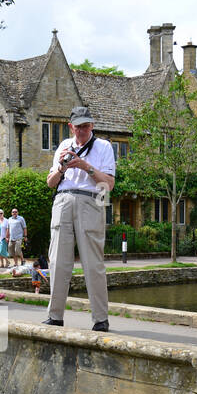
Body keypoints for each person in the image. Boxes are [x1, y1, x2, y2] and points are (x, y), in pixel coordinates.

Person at [45, 105, 116, 331]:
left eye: (86, 126)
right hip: (63, 200)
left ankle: (100, 319)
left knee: (93, 263)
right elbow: (50, 183)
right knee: (57, 261)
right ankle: (55, 316)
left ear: (92, 125)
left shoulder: (103, 146)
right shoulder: (64, 146)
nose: (82, 131)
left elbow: (109, 185)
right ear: (71, 127)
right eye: (78, 127)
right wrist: (62, 168)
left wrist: (86, 166)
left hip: (91, 199)